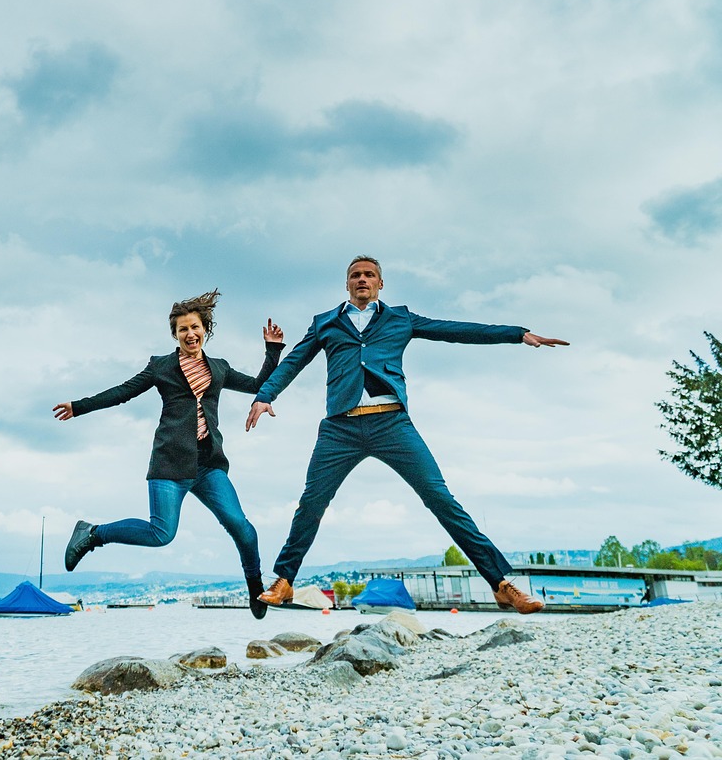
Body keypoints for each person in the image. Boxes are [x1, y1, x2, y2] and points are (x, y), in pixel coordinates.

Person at [245, 256, 569, 614]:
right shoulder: (325, 323)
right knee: (311, 502)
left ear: (380, 283)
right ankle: (285, 580)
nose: (362, 279)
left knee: (440, 499)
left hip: (392, 424)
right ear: (347, 284)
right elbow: (293, 361)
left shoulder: (400, 319)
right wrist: (265, 395)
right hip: (340, 427)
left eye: (369, 275)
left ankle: (502, 585)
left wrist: (516, 334)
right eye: (356, 275)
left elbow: (455, 330)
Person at [55, 290, 285, 619]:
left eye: (195, 327)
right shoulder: (160, 367)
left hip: (208, 465)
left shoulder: (219, 368)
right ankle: (92, 534)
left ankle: (255, 588)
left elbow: (258, 384)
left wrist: (272, 350)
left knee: (242, 527)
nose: (190, 334)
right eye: (182, 329)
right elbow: (122, 392)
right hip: (170, 464)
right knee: (161, 534)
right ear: (175, 334)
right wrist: (79, 407)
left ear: (205, 329)